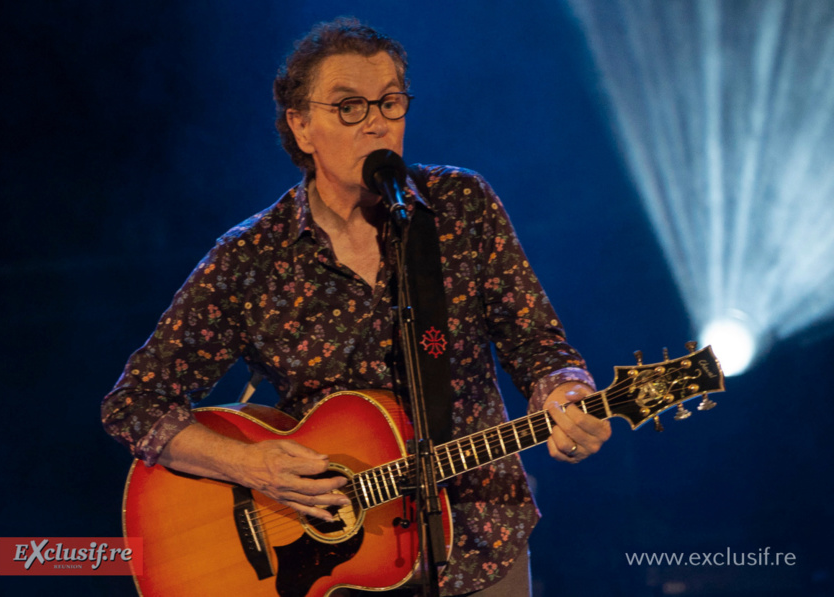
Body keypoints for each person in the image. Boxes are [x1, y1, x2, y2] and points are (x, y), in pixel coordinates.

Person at [102, 17, 611, 596]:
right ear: (301, 126)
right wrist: (250, 465)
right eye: (348, 106)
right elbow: (134, 404)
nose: (374, 121)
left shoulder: (459, 206)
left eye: (390, 102)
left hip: (480, 540)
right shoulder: (250, 259)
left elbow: (538, 345)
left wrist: (566, 394)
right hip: (333, 562)